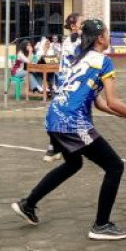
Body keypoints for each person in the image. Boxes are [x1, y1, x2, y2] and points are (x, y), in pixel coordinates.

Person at [11, 19, 126, 240]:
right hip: (72, 123)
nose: (109, 37)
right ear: (100, 38)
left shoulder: (78, 60)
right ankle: (101, 225)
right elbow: (114, 101)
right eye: (108, 34)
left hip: (53, 118)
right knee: (115, 166)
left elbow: (101, 104)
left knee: (73, 163)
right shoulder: (104, 62)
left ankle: (28, 204)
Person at [44, 12, 83, 162]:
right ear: (73, 26)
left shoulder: (72, 40)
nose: (84, 25)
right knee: (69, 112)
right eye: (82, 23)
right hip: (70, 82)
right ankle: (57, 146)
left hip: (66, 81)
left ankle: (54, 147)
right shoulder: (74, 41)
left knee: (63, 112)